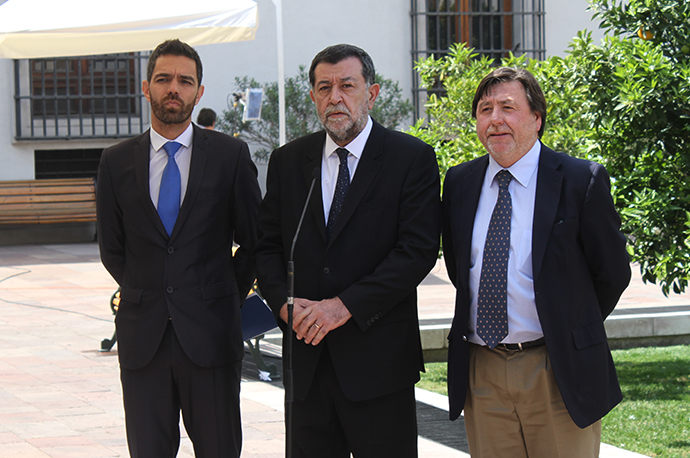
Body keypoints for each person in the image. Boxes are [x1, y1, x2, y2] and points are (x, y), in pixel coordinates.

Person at [255, 43, 441, 458]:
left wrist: (343, 307)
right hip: (306, 363)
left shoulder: (410, 158)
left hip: (378, 365)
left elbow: (416, 251)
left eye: (347, 86)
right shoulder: (289, 161)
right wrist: (285, 306)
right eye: (324, 88)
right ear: (313, 97)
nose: (335, 97)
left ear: (371, 94)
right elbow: (266, 247)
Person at [442, 66, 631, 457]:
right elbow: (460, 268)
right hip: (482, 368)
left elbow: (612, 273)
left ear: (537, 118)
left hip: (557, 367)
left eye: (508, 107)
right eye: (485, 109)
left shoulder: (580, 180)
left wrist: (569, 325)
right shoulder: (459, 182)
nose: (495, 119)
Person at [96, 39, 261, 458]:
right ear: (146, 87)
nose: (174, 88)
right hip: (143, 340)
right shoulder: (115, 161)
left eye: (185, 81)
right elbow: (112, 248)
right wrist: (147, 288)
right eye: (163, 79)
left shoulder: (230, 156)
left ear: (199, 92)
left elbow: (255, 240)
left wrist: (224, 294)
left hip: (212, 334)